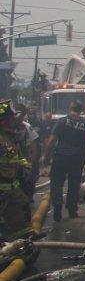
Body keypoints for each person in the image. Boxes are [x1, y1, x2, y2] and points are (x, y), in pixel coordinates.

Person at [43, 101, 85, 222]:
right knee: (74, 184)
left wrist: (46, 157)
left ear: (70, 108)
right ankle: (72, 209)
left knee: (56, 183)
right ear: (80, 110)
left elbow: (52, 140)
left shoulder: (61, 121)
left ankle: (57, 206)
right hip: (78, 158)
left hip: (60, 156)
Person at [0, 100, 35, 243]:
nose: (14, 121)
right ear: (2, 121)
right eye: (11, 119)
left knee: (19, 213)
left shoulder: (9, 137)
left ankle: (23, 242)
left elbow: (15, 158)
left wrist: (25, 167)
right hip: (3, 188)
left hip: (12, 187)